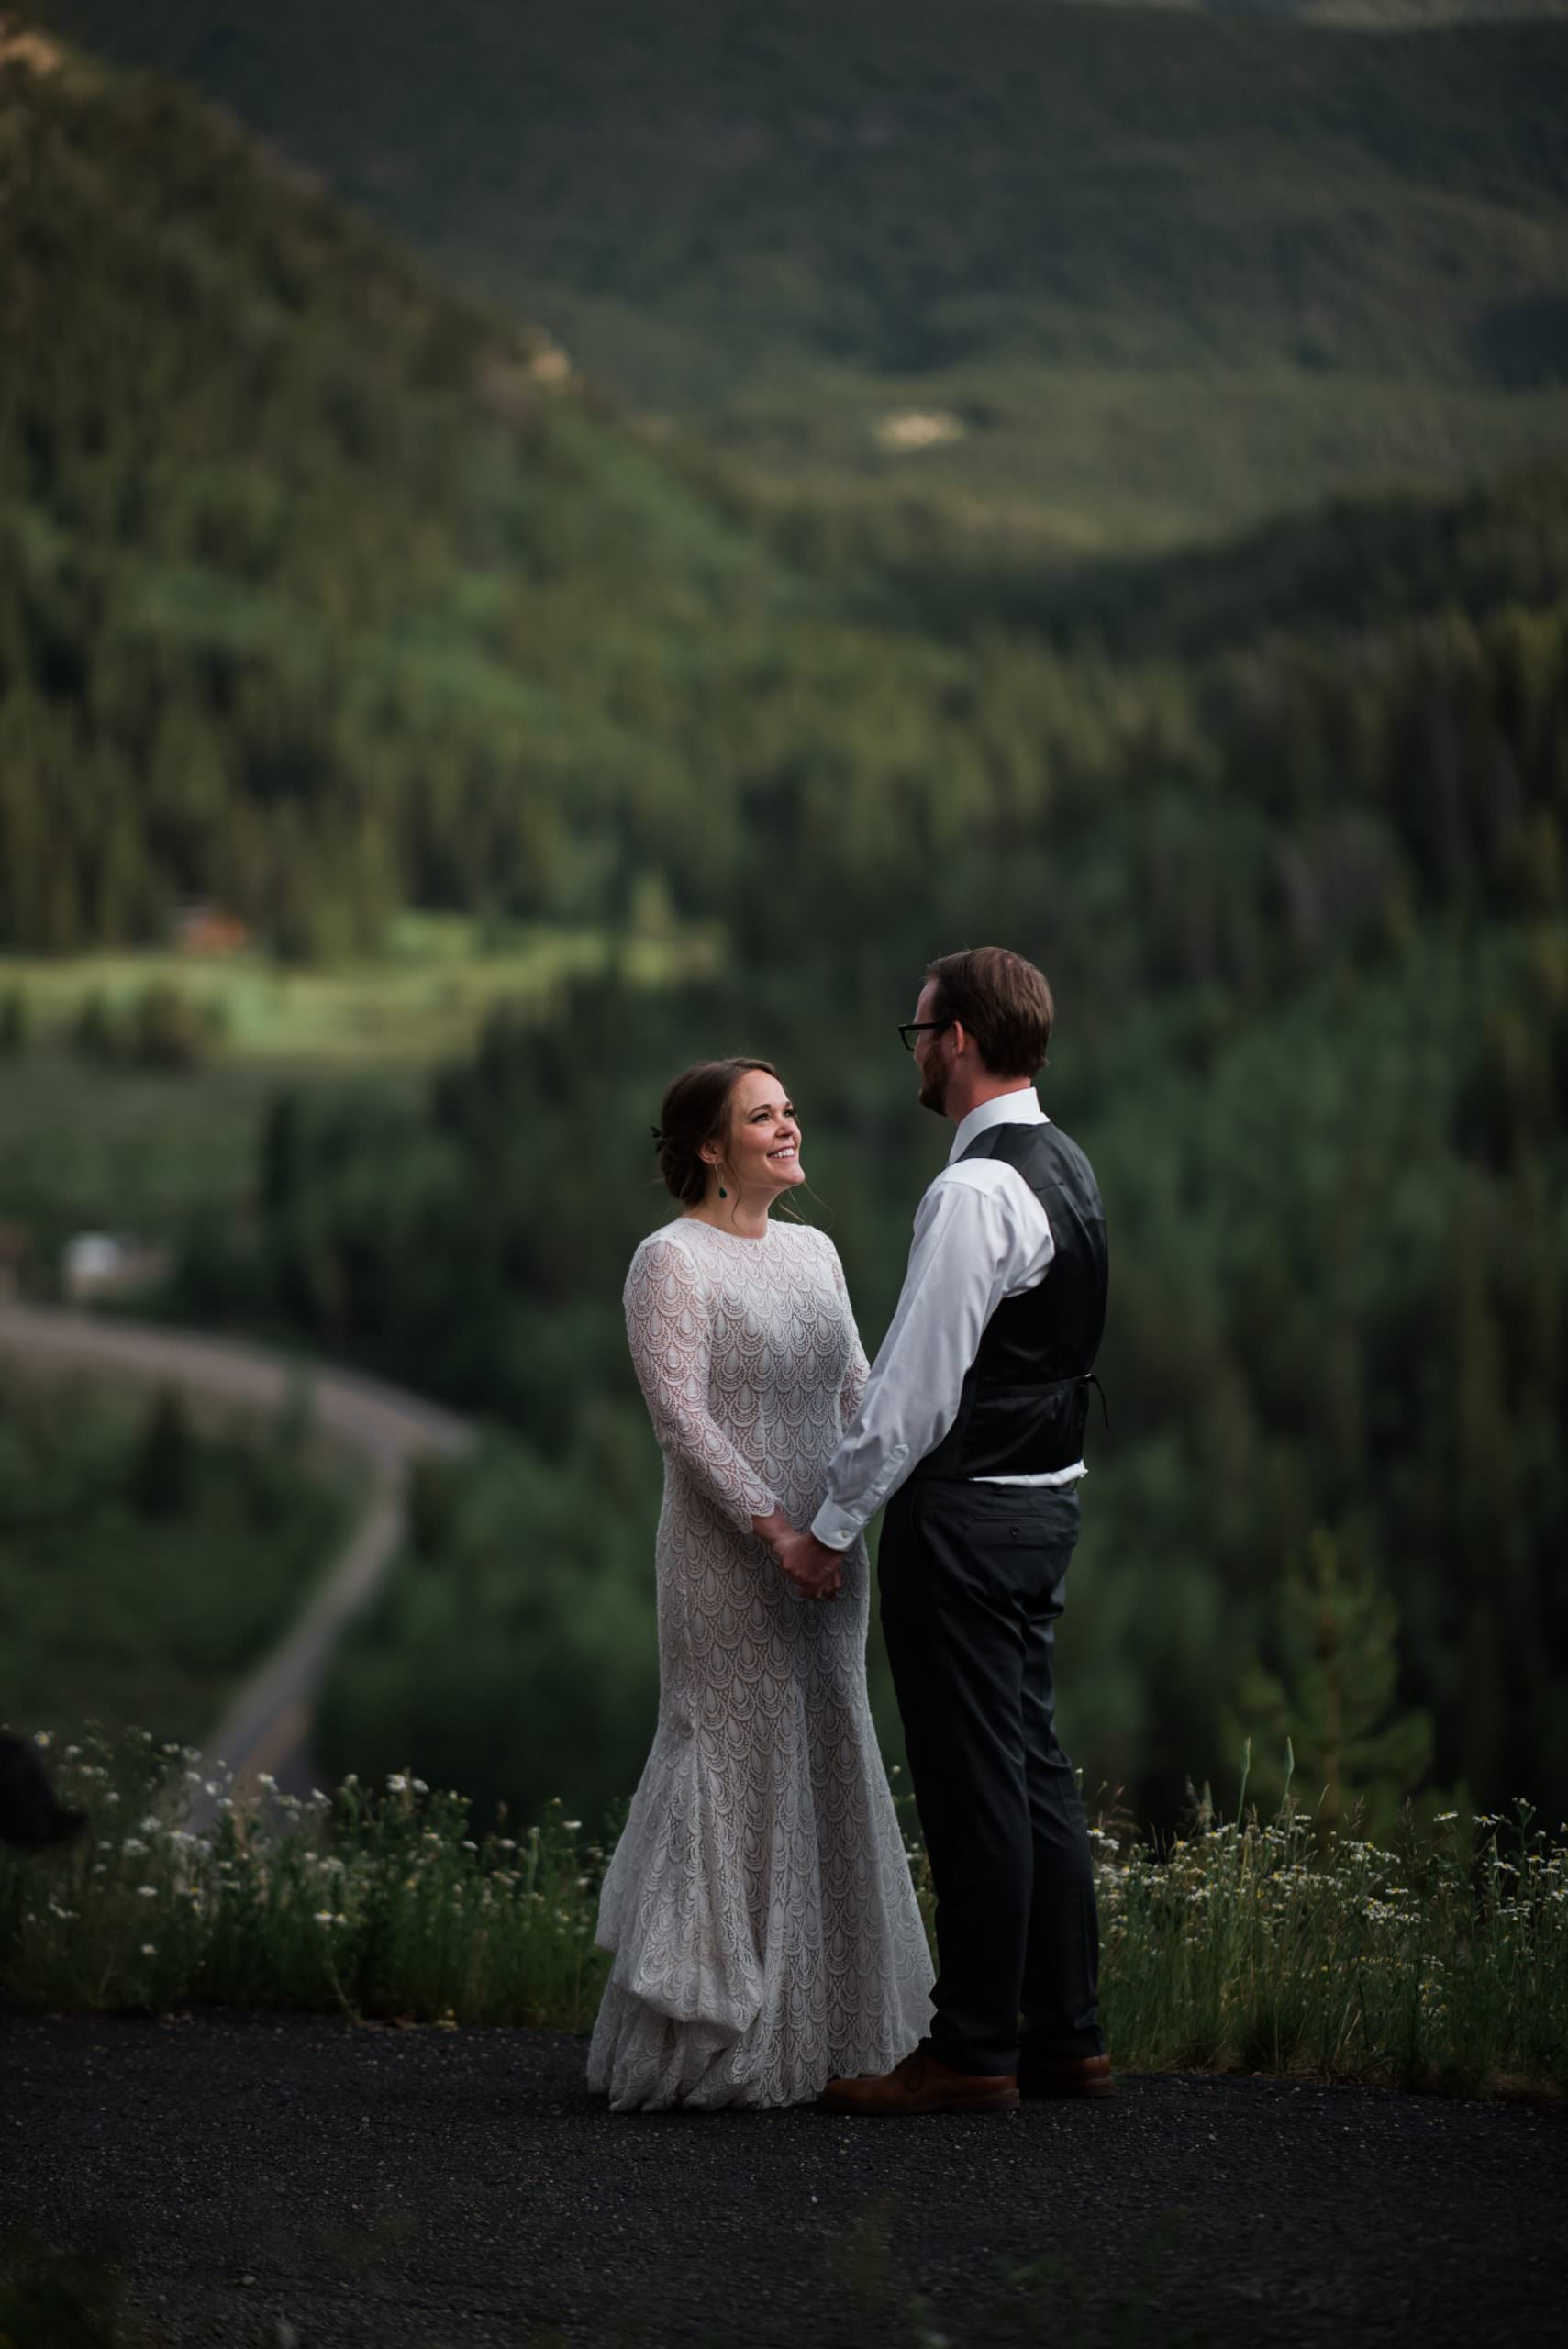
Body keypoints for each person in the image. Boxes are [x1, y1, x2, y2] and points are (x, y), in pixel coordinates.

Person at [775, 947, 1110, 2116]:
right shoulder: (1065, 1166)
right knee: (1029, 1767)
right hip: (1045, 1501)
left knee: (975, 1786)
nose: (912, 1049)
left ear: (956, 1037)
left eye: (916, 1029)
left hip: (965, 1516)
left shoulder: (973, 1191)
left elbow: (913, 1394)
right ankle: (1065, 2035)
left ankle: (971, 2050)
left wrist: (828, 1526)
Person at [586, 1058, 933, 2110]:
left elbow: (855, 1387)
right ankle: (711, 2041)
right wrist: (776, 1530)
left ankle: (830, 2033)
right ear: (708, 1146)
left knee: (827, 1747)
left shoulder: (817, 1252)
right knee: (730, 1754)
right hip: (726, 1562)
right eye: (760, 1115)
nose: (788, 1126)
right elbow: (681, 1420)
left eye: (787, 1110)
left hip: (829, 1555)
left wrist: (850, 1516)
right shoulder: (670, 1263)